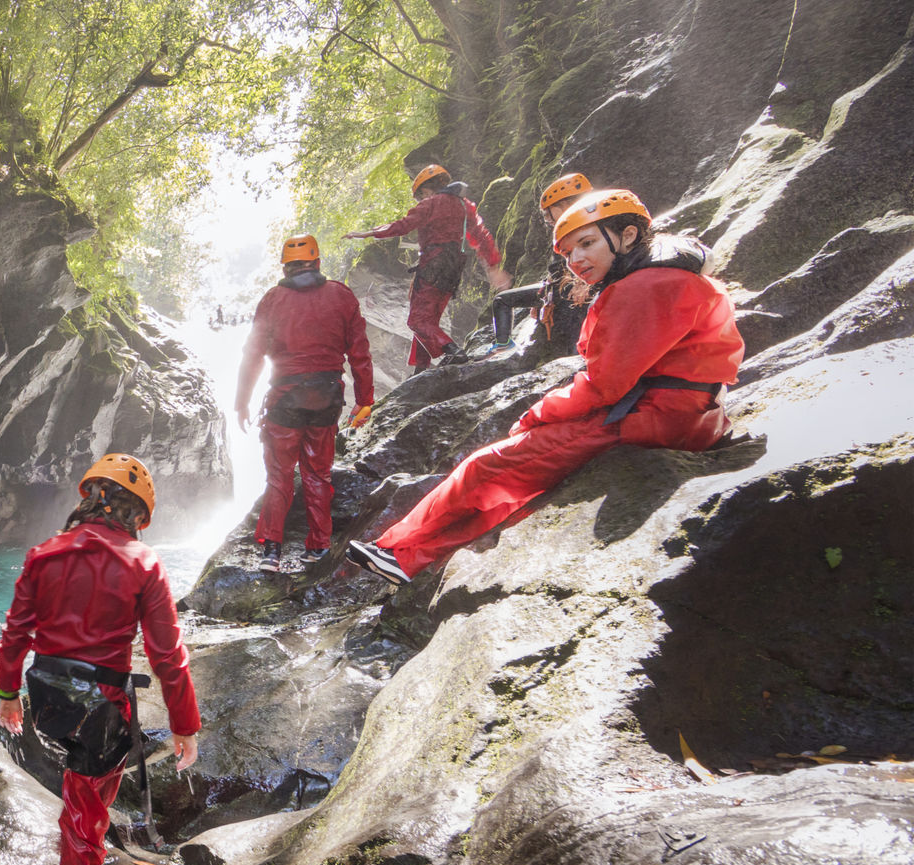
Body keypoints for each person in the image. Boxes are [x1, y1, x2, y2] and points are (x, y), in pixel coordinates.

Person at [345, 189, 743, 585]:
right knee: (519, 480)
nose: (576, 261)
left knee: (488, 466)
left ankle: (396, 550)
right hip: (680, 412)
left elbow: (604, 385)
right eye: (569, 253)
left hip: (655, 416)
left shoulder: (644, 286)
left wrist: (538, 413)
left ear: (627, 236)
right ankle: (411, 556)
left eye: (586, 244)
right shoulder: (661, 274)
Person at [0, 453, 200, 865]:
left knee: (81, 811)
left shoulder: (43, 554)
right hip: (102, 714)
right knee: (84, 828)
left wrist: (8, 696)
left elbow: (16, 633)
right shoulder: (142, 563)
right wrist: (184, 725)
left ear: (88, 498)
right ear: (136, 513)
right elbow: (166, 656)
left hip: (50, 706)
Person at [235, 235, 376, 571]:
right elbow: (359, 352)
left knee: (280, 476)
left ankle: (272, 551)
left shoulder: (272, 299)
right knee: (317, 474)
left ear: (285, 266)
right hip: (326, 399)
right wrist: (365, 400)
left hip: (285, 400)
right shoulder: (341, 296)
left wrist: (241, 402)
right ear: (317, 263)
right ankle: (319, 547)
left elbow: (252, 355)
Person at [345, 164, 512, 371]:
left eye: (419, 197)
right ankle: (420, 369)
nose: (420, 200)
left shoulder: (431, 204)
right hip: (454, 270)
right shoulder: (464, 205)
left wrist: (368, 233)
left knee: (417, 321)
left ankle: (452, 350)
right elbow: (480, 236)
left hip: (433, 265)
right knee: (428, 320)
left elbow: (403, 225)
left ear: (425, 191)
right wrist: (493, 267)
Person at [483, 172, 595, 358]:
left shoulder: (579, 227)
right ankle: (503, 345)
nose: (546, 218)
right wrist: (544, 293)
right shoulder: (577, 226)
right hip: (560, 288)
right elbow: (558, 269)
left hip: (572, 291)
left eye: (548, 212)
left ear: (564, 205)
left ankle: (574, 359)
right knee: (501, 300)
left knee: (572, 319)